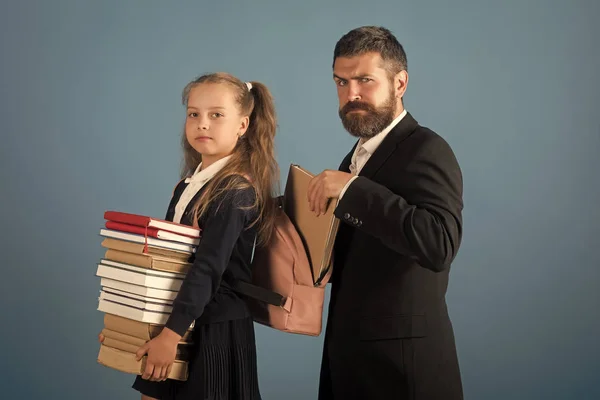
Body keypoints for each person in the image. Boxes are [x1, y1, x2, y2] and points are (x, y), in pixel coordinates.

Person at [100, 72, 279, 400]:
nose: (203, 124)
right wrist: (127, 327)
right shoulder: (189, 185)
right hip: (180, 316)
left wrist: (170, 336)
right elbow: (170, 266)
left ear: (242, 125)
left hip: (213, 328)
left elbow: (207, 270)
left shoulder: (235, 191)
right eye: (193, 114)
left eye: (216, 115)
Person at [307, 26, 464, 399]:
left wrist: (351, 190)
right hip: (350, 361)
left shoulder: (427, 148)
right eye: (341, 82)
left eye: (365, 80)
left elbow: (438, 244)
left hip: (402, 370)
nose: (351, 94)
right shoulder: (357, 156)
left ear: (399, 83)